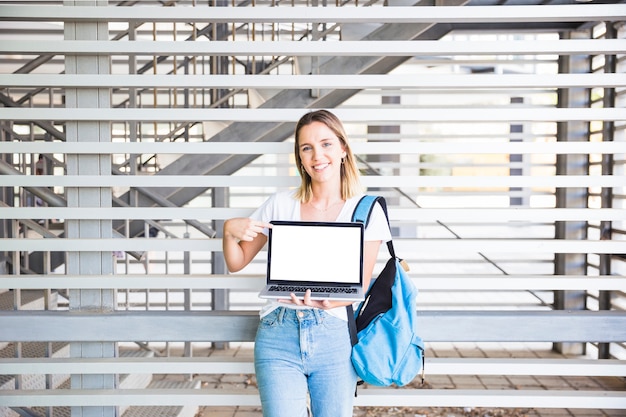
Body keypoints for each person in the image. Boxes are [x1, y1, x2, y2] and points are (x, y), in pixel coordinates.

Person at [222, 109, 391, 417]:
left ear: (343, 149)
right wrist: (228, 231)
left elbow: (359, 286)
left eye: (326, 144)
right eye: (306, 148)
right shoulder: (280, 204)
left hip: (334, 337)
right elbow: (237, 261)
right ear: (299, 157)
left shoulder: (366, 210)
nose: (317, 156)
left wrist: (333, 301)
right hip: (279, 332)